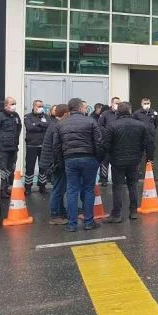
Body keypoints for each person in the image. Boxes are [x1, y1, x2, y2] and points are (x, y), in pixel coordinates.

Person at [54, 98, 105, 232]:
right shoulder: (91, 121)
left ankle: (72, 224)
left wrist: (62, 161)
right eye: (84, 107)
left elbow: (56, 146)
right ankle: (89, 222)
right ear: (80, 108)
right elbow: (99, 142)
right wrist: (98, 159)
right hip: (88, 158)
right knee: (88, 190)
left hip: (70, 159)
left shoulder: (61, 124)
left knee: (71, 191)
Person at [106, 102, 155, 221]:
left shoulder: (112, 125)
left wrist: (109, 157)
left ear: (118, 112)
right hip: (134, 160)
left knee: (117, 187)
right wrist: (143, 156)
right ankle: (133, 211)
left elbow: (107, 144)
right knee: (132, 185)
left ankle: (116, 214)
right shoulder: (141, 125)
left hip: (117, 160)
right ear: (130, 111)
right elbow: (146, 143)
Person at [41, 103, 69, 225]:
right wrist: (60, 162)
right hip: (55, 163)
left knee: (60, 188)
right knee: (58, 189)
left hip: (52, 161)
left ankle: (61, 211)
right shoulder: (57, 126)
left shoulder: (54, 125)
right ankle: (55, 215)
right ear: (66, 113)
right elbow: (56, 147)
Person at [0, 97, 22, 200]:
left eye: (15, 103)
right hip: (1, 149)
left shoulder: (15, 116)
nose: (14, 106)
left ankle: (9, 188)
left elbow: (19, 128)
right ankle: (2, 190)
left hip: (13, 148)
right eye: (12, 104)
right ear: (6, 105)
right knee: (2, 170)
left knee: (11, 169)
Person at [23, 99, 50, 195]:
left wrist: (38, 124)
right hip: (32, 145)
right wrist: (41, 125)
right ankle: (28, 187)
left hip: (43, 145)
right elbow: (30, 127)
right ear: (34, 106)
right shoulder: (27, 116)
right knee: (30, 167)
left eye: (41, 106)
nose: (41, 108)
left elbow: (49, 125)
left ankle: (42, 186)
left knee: (43, 167)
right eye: (38, 106)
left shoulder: (46, 116)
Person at [133, 97, 158, 182]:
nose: (146, 105)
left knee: (150, 158)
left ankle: (150, 175)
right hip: (139, 139)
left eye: (148, 103)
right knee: (138, 157)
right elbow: (133, 125)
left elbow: (156, 124)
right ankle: (135, 176)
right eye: (145, 103)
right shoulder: (136, 113)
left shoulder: (154, 113)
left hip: (150, 139)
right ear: (141, 104)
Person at [96, 96, 120, 186]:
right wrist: (107, 132)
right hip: (107, 142)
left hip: (118, 142)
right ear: (112, 103)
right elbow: (100, 126)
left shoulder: (121, 114)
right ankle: (103, 179)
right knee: (105, 162)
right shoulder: (105, 114)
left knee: (117, 162)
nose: (117, 105)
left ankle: (116, 179)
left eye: (119, 103)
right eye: (116, 103)